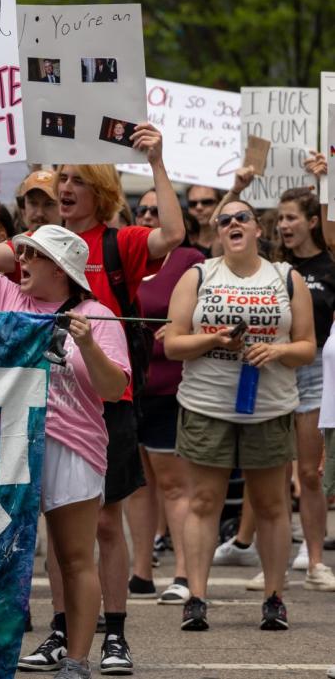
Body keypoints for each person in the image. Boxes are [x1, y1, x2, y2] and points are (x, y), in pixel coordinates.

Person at [0, 161, 129, 679]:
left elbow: (113, 390)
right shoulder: (7, 297)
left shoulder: (100, 317)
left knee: (73, 557)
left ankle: (79, 660)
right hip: (10, 443)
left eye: (33, 255)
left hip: (71, 446)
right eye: (21, 251)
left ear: (60, 269)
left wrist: (88, 343)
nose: (21, 260)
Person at [23, 123, 183, 675]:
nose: (65, 188)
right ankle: (63, 633)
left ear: (102, 192)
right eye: (61, 178)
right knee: (59, 532)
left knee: (106, 525)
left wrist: (157, 163)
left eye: (78, 181)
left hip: (107, 397)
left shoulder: (122, 241)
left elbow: (174, 234)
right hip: (52, 399)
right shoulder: (41, 242)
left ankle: (114, 633)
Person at [165, 191, 315, 632]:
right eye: (224, 219)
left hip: (268, 408)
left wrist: (279, 349)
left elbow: (307, 347)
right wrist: (214, 340)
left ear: (255, 228)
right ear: (218, 233)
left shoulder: (286, 278)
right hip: (206, 405)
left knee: (270, 504)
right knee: (204, 501)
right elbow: (174, 343)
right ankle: (196, 597)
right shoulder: (197, 276)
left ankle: (274, 598)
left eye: (241, 217)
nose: (232, 223)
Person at [125, 190, 203, 607]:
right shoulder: (130, 253)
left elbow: (205, 309)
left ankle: (184, 573)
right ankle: (140, 572)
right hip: (131, 383)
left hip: (171, 384)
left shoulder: (189, 259)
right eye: (143, 210)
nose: (150, 215)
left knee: (173, 483)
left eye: (158, 210)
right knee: (138, 484)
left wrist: (178, 328)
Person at [275, 184, 335, 589]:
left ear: (313, 221)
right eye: (279, 218)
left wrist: (326, 182)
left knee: (310, 474)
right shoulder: (273, 267)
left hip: (315, 371)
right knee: (273, 472)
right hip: (275, 369)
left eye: (291, 217)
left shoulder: (331, 266)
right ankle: (273, 559)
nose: (283, 225)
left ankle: (315, 561)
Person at [185, 185, 221, 255]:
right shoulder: (179, 244)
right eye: (193, 203)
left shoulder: (231, 240)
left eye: (206, 202)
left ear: (219, 204)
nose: (199, 207)